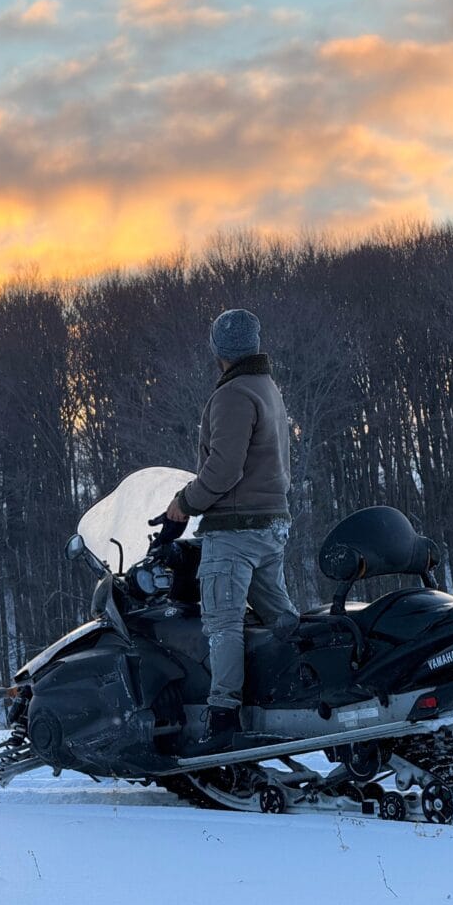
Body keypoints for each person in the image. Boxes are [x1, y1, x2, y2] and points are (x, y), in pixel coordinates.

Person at [165, 308, 299, 752]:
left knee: (223, 623)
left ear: (217, 349)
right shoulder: (268, 388)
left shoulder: (233, 395)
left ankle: (223, 718)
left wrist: (184, 503)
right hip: (271, 522)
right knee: (279, 618)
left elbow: (223, 470)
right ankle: (300, 691)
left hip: (236, 529)